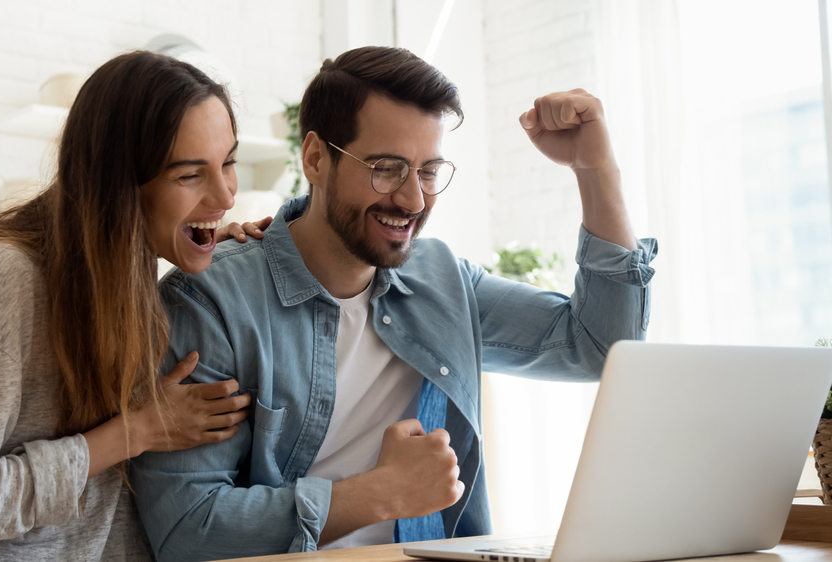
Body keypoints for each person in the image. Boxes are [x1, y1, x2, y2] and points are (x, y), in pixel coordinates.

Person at [131, 46, 657, 561]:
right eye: (386, 167)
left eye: (429, 171)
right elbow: (187, 529)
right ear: (316, 158)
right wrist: (379, 492)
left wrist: (595, 169)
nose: (413, 200)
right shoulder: (213, 302)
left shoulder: (444, 279)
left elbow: (599, 347)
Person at [0, 50, 269, 560]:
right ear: (120, 186)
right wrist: (134, 431)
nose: (226, 195)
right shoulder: (8, 276)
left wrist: (222, 251)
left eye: (228, 162)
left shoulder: (131, 272)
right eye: (190, 175)